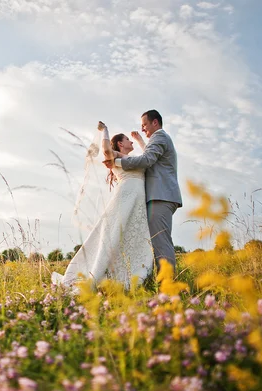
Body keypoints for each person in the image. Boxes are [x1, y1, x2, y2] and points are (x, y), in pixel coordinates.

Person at [51, 122, 153, 292]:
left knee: (131, 238)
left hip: (138, 203)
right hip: (124, 200)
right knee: (112, 237)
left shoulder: (135, 159)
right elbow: (105, 151)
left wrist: (140, 139)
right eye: (128, 139)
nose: (131, 141)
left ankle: (125, 277)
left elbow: (148, 158)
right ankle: (97, 276)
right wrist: (104, 130)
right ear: (120, 143)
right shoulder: (114, 156)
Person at [106, 109, 182, 273]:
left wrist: (118, 158)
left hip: (161, 197)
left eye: (144, 125)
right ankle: (161, 282)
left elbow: (147, 159)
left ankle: (168, 286)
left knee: (161, 242)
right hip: (159, 197)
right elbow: (150, 155)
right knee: (156, 242)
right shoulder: (158, 139)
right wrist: (140, 140)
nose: (142, 129)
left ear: (155, 122)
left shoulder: (160, 136)